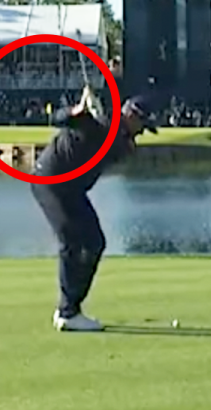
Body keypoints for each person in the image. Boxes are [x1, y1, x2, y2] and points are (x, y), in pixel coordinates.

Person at [32, 88, 158, 331]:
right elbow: (57, 119)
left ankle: (71, 307)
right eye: (142, 125)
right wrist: (76, 112)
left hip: (72, 189)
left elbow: (114, 148)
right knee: (70, 242)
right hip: (50, 181)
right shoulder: (92, 123)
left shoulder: (118, 141)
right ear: (131, 116)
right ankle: (68, 312)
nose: (142, 132)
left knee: (95, 242)